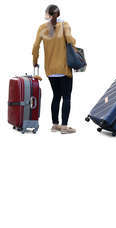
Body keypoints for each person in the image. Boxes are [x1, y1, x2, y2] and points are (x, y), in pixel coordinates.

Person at [32, 4, 77, 134]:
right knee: (66, 97)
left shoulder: (42, 28)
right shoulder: (65, 25)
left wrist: (35, 62)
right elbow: (70, 41)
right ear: (59, 14)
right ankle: (64, 126)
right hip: (63, 69)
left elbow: (35, 47)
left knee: (56, 96)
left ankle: (55, 125)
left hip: (50, 70)